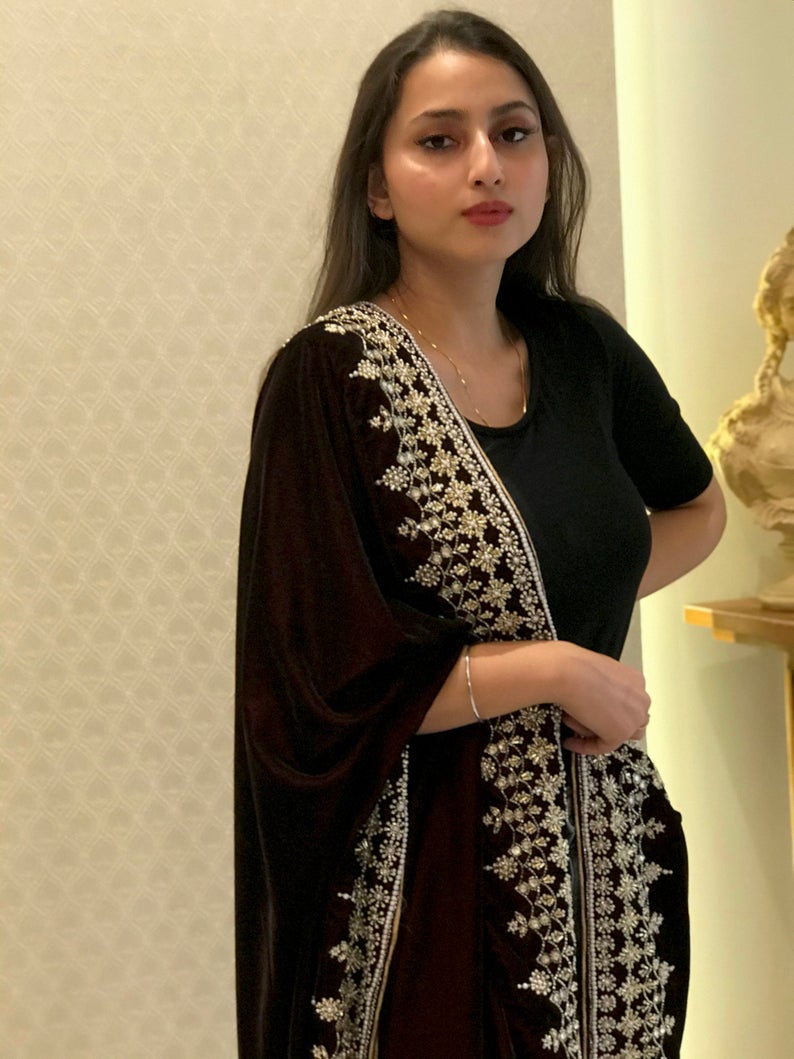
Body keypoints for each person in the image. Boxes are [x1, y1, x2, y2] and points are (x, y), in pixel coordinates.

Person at [235, 10, 726, 1058]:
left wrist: (577, 608)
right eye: (438, 139)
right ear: (376, 187)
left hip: (606, 865)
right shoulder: (332, 377)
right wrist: (553, 663)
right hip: (428, 879)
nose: (485, 165)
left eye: (513, 132)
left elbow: (697, 509)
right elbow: (316, 684)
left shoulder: (583, 347)